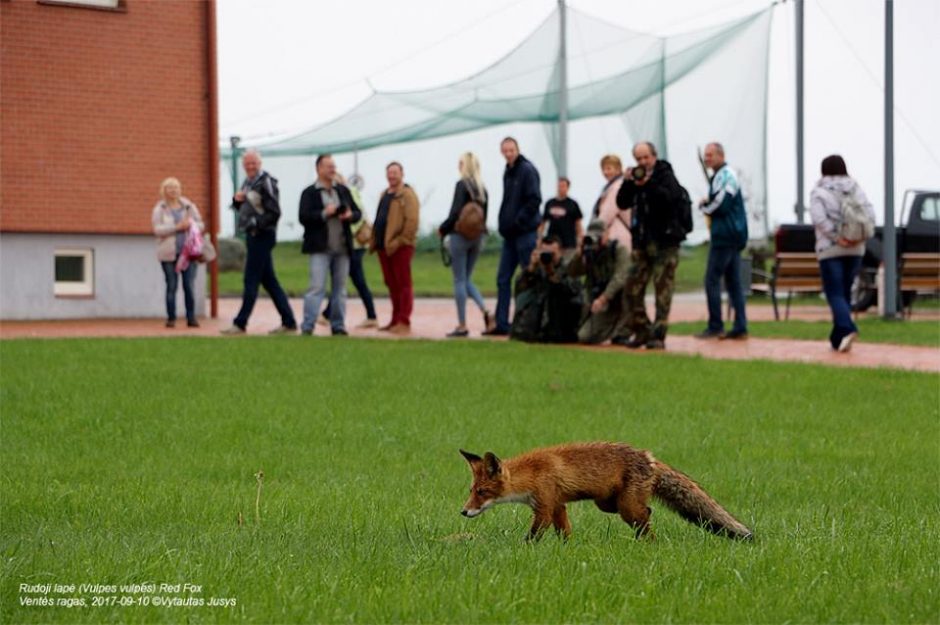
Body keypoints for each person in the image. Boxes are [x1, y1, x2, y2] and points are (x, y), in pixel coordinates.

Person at [612, 141, 688, 350]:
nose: (643, 162)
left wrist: (649, 183)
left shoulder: (665, 174)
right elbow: (622, 203)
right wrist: (629, 182)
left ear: (654, 156)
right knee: (632, 287)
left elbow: (668, 198)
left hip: (666, 242)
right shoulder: (636, 178)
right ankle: (642, 330)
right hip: (642, 243)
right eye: (638, 159)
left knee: (662, 290)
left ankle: (658, 335)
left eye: (646, 157)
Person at [221, 150, 297, 335]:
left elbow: (274, 212)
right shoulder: (248, 182)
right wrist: (237, 201)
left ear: (260, 163)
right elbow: (245, 207)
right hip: (252, 235)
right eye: (247, 163)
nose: (250, 166)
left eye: (253, 163)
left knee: (251, 279)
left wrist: (257, 223)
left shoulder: (266, 182)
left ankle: (240, 323)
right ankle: (289, 321)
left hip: (262, 235)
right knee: (269, 281)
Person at [809, 154, 875, 352]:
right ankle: (837, 339)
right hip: (856, 248)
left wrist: (837, 237)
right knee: (845, 293)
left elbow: (819, 219)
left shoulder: (819, 191)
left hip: (831, 249)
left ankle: (847, 328)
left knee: (834, 293)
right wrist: (858, 238)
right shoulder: (856, 189)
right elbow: (870, 215)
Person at [298, 154, 362, 336]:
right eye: (328, 167)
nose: (332, 170)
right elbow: (303, 217)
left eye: (333, 166)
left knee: (340, 289)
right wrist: (324, 213)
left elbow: (358, 213)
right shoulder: (309, 193)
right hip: (319, 248)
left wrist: (350, 215)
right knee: (316, 287)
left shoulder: (342, 190)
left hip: (342, 248)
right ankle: (308, 325)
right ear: (319, 169)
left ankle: (338, 325)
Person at [485, 137, 542, 336]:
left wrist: (520, 220)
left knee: (528, 278)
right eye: (505, 150)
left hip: (525, 233)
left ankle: (527, 322)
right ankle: (502, 323)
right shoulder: (508, 172)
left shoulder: (527, 170)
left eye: (511, 150)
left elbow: (535, 198)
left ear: (517, 149)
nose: (508, 153)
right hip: (509, 236)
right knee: (503, 278)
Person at [695, 142, 749, 340]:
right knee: (733, 282)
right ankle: (740, 325)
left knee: (711, 280)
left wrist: (705, 208)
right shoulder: (719, 176)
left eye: (710, 155)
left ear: (721, 155)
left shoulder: (726, 175)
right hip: (733, 234)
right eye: (706, 155)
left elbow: (722, 204)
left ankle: (715, 325)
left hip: (725, 235)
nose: (707, 159)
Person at [438, 152, 494, 337]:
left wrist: (443, 229)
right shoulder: (482, 189)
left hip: (459, 236)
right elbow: (484, 216)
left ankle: (462, 324)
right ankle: (486, 310)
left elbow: (455, 212)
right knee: (467, 279)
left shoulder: (461, 186)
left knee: (459, 280)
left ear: (465, 165)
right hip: (477, 238)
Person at [321, 172, 378, 329]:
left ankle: (370, 315)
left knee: (352, 280)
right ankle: (328, 313)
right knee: (347, 279)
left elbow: (358, 214)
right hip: (349, 244)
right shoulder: (341, 193)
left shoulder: (348, 192)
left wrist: (348, 230)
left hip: (354, 244)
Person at [371, 161, 419, 335]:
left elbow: (412, 222)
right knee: (391, 284)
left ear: (402, 173)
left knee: (403, 283)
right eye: (389, 173)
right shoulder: (385, 194)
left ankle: (404, 320)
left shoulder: (407, 195)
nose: (392, 176)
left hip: (400, 247)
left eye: (395, 172)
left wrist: (400, 241)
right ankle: (394, 319)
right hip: (384, 247)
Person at [152, 177, 205, 328]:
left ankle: (191, 318)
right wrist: (177, 227)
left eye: (176, 187)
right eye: (170, 188)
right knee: (171, 286)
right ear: (164, 190)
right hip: (168, 255)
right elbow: (157, 230)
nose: (173, 190)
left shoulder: (189, 206)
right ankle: (171, 318)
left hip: (189, 254)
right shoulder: (160, 209)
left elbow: (201, 224)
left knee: (189, 285)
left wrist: (191, 224)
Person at [568, 219, 630, 344]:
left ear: (607, 235)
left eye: (599, 236)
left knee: (629, 290)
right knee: (583, 337)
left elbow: (620, 278)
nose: (595, 240)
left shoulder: (619, 250)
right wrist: (579, 255)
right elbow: (573, 272)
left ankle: (625, 329)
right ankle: (613, 329)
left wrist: (603, 298)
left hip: (618, 297)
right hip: (602, 302)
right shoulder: (590, 253)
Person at [510, 236, 581, 344]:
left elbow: (572, 290)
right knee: (526, 296)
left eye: (552, 254)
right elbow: (519, 287)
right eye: (545, 253)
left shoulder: (569, 267)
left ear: (561, 252)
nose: (549, 258)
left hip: (562, 317)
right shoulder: (538, 268)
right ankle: (526, 332)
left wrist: (552, 274)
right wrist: (530, 269)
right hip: (539, 314)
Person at [538, 177, 583, 260]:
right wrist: (539, 238)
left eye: (563, 186)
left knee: (566, 266)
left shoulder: (573, 204)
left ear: (567, 187)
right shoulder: (550, 203)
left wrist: (580, 242)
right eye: (559, 186)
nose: (560, 188)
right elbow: (543, 223)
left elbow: (578, 225)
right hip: (552, 242)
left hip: (569, 242)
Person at [593, 154, 631, 251]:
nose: (605, 172)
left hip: (617, 235)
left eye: (609, 169)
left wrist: (594, 230)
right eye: (603, 169)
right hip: (621, 233)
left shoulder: (617, 187)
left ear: (618, 169)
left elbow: (607, 213)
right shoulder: (615, 185)